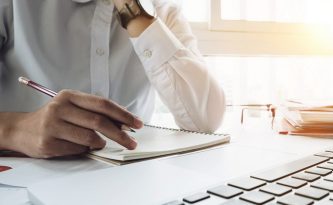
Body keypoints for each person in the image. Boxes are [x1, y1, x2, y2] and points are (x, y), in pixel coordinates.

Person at [0, 0, 225, 158]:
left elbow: (204, 120)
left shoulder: (161, 9)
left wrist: (132, 10)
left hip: (134, 179)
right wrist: (15, 129)